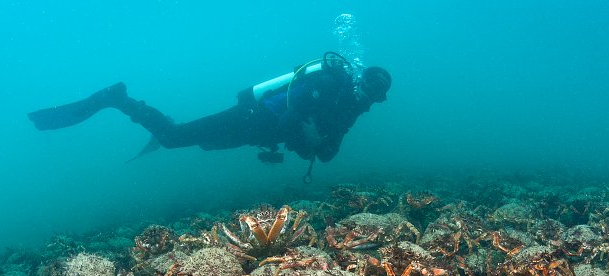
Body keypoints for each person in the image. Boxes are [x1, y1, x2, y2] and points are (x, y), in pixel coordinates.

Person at [27, 52, 391, 168]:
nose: (370, 100)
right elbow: (291, 116)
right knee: (174, 138)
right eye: (370, 90)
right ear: (360, 81)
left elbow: (326, 154)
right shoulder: (330, 86)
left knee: (193, 140)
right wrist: (303, 136)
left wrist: (308, 140)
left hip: (256, 133)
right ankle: (119, 99)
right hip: (252, 119)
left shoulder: (350, 109)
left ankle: (148, 116)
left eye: (377, 97)